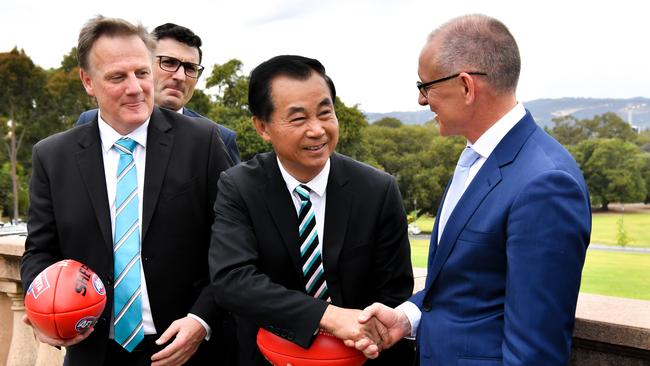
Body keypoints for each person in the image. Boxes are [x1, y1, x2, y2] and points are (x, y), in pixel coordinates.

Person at [354, 14, 592, 365]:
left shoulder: (545, 183)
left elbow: (535, 353)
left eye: (426, 86)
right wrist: (407, 317)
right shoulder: (477, 157)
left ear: (466, 86)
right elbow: (466, 284)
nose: (422, 100)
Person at [20, 16, 233, 365]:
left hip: (187, 349)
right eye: (117, 77)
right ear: (88, 81)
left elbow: (232, 244)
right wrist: (41, 308)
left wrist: (202, 319)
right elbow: (40, 252)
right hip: (91, 349)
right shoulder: (52, 156)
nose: (135, 88)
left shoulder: (203, 142)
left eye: (142, 72)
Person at [208, 55, 415, 365]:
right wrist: (327, 317)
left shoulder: (377, 190)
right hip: (267, 357)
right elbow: (233, 280)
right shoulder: (239, 186)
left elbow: (394, 292)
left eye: (325, 113)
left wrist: (363, 334)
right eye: (298, 118)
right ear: (262, 126)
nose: (317, 130)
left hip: (360, 357)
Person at [75, 22, 241, 164]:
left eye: (190, 68)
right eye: (169, 62)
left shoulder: (216, 139)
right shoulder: (91, 122)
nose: (180, 76)